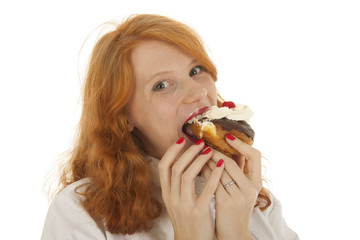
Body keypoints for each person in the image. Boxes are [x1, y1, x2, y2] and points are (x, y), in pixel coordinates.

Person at [41, 14, 299, 240]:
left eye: (197, 70)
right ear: (124, 117)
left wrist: (237, 233)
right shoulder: (79, 211)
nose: (198, 92)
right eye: (162, 85)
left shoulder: (256, 202)